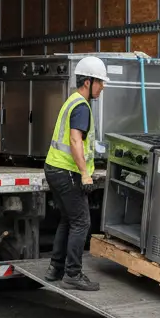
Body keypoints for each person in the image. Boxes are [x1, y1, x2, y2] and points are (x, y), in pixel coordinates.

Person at [44, 55, 109, 291]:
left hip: (54, 168)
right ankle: (73, 273)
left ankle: (55, 269)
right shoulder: (81, 106)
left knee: (68, 219)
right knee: (82, 222)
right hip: (67, 171)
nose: (103, 87)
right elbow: (74, 139)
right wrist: (85, 174)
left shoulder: (72, 100)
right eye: (100, 82)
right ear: (88, 82)